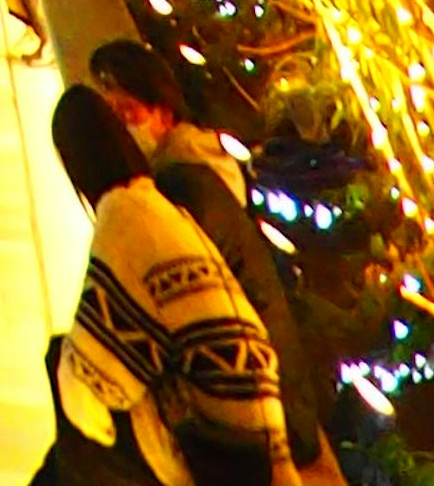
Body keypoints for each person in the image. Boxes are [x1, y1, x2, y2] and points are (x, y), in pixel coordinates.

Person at [87, 52, 336, 481]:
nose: (121, 128)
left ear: (162, 113)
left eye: (127, 113)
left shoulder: (188, 184)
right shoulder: (184, 168)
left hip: (269, 414)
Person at [47, 80, 292, 486]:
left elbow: (94, 382)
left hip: (217, 439)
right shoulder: (163, 207)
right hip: (257, 425)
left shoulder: (126, 216)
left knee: (65, 372)